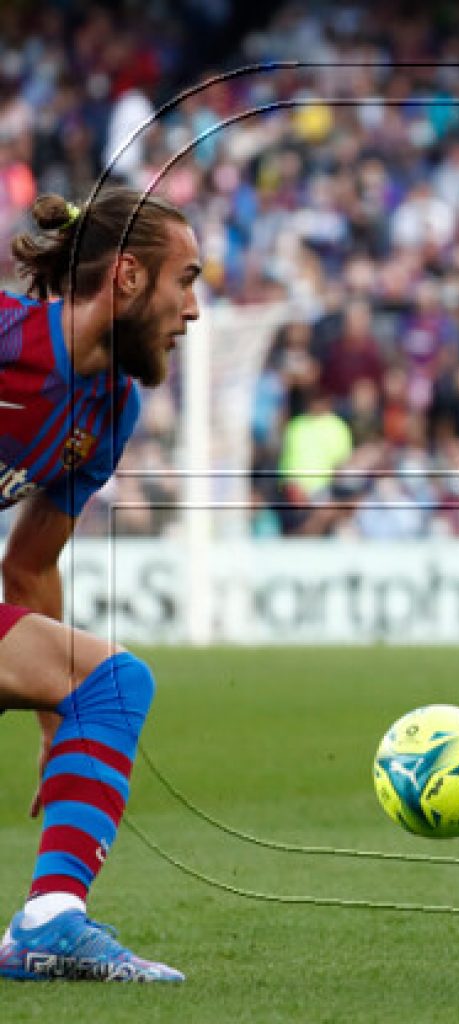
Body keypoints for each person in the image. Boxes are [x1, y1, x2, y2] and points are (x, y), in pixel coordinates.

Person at [0, 187, 201, 982]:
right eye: (184, 280)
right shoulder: (8, 338)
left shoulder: (108, 409)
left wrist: (57, 722)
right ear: (125, 279)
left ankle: (51, 921)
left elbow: (29, 566)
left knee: (110, 685)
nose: (191, 309)